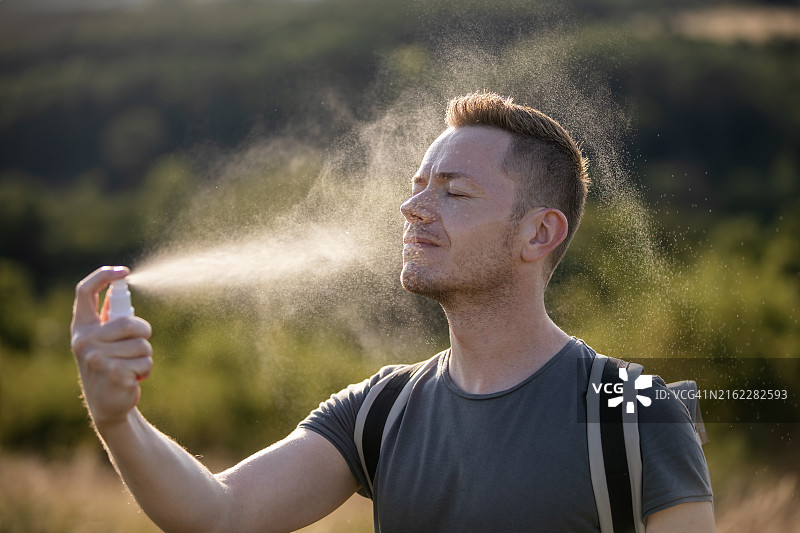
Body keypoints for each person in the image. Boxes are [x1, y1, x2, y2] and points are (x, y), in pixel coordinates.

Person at [70, 92, 714, 532]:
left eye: (456, 191)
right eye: (416, 188)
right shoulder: (380, 410)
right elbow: (220, 514)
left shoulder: (636, 414)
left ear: (539, 234)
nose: (414, 209)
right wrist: (118, 419)